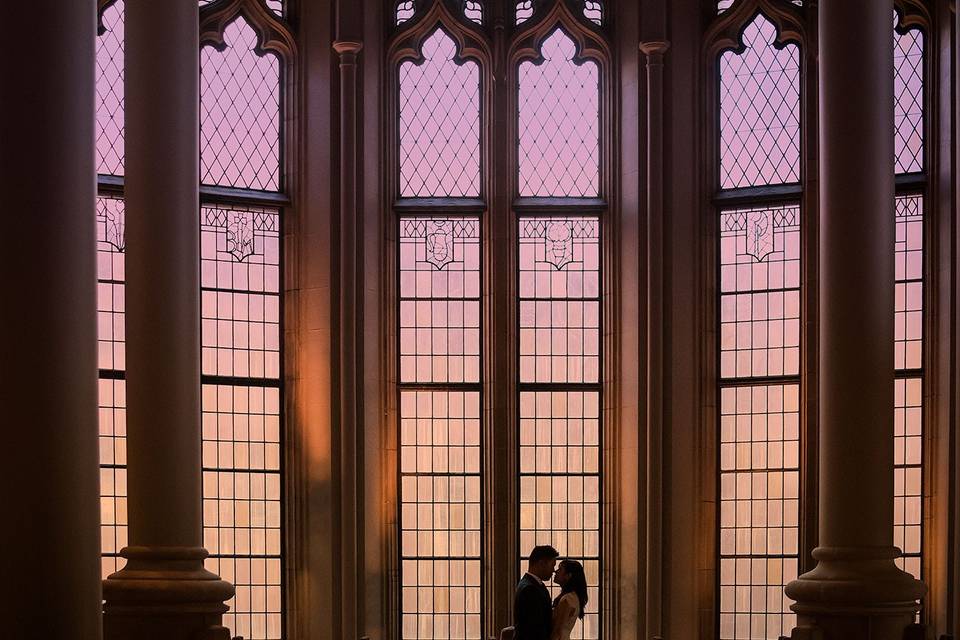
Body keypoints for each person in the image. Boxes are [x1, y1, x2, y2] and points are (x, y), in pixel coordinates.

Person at [513, 545, 559, 640]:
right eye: (552, 565)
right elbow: (534, 629)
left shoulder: (531, 584)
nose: (553, 570)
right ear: (541, 564)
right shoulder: (530, 589)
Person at [550, 559, 588, 640]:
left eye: (560, 569)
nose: (555, 571)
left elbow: (557, 630)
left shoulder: (567, 599)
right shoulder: (572, 596)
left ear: (568, 576)